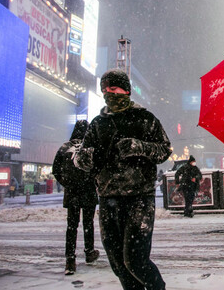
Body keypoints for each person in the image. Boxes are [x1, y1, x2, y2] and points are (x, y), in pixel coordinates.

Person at [74, 69, 171, 290]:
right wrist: (90, 156)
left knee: (135, 261)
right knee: (118, 264)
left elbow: (164, 150)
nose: (109, 93)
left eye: (114, 88)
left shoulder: (145, 118)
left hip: (139, 198)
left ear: (126, 90)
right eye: (105, 90)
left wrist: (140, 147)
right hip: (108, 198)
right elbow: (80, 160)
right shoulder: (98, 123)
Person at [52, 120, 100, 275]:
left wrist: (67, 184)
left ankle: (70, 260)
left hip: (72, 193)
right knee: (88, 223)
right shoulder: (90, 148)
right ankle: (89, 252)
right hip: (88, 192)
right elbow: (98, 169)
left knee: (71, 226)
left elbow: (56, 170)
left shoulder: (65, 148)